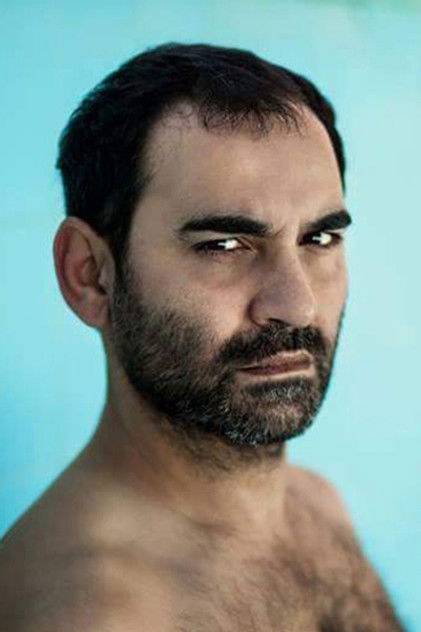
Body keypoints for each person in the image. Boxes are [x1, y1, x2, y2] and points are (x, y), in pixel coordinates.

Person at [0, 42, 405, 631]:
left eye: (318, 240)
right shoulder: (89, 614)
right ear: (90, 275)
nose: (297, 305)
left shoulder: (318, 508)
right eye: (224, 246)